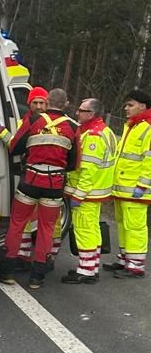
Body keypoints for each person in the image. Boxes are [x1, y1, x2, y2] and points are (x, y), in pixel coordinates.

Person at [0, 85, 76, 290]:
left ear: (47, 102)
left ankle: (6, 272)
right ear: (66, 104)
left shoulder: (33, 120)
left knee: (17, 223)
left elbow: (15, 146)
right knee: (46, 228)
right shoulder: (73, 127)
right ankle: (37, 277)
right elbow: (75, 163)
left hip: (30, 180)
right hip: (55, 184)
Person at [62, 97, 117, 283]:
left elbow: (88, 169)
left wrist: (78, 195)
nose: (77, 113)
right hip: (96, 192)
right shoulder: (105, 131)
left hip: (87, 194)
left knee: (84, 230)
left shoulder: (92, 135)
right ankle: (91, 267)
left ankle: (85, 271)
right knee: (92, 230)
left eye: (81, 110)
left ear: (91, 114)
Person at [105, 87, 151, 277]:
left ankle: (136, 265)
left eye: (130, 105)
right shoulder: (132, 125)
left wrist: (143, 185)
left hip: (136, 188)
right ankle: (124, 259)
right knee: (123, 224)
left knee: (135, 226)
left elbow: (149, 160)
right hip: (123, 187)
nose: (126, 108)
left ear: (142, 106)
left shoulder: (147, 128)